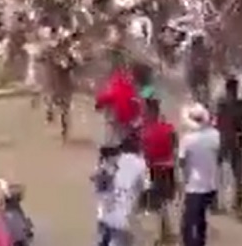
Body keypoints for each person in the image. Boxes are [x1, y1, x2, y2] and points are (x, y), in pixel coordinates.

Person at [178, 103, 221, 246]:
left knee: (189, 225)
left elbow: (182, 162)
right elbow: (219, 156)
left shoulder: (188, 139)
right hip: (211, 184)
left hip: (195, 186)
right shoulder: (215, 135)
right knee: (201, 219)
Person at [94, 138, 148, 246]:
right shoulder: (140, 164)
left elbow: (100, 189)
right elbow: (144, 189)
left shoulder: (105, 166)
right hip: (124, 220)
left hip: (106, 217)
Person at [139, 97, 179, 242]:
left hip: (154, 170)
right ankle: (167, 231)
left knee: (156, 203)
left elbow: (143, 153)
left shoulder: (145, 131)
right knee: (166, 201)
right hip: (168, 168)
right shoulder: (168, 128)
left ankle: (161, 234)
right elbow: (175, 146)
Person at [213, 74, 242, 212]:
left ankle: (215, 203)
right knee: (238, 174)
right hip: (236, 141)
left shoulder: (221, 105)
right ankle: (237, 203)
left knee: (216, 172)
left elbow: (215, 124)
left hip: (222, 140)